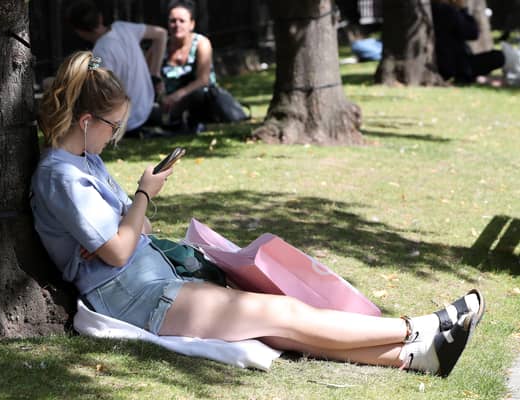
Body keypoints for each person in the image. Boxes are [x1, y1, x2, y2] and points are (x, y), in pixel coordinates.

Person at [32, 50, 486, 377]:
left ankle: (414, 357)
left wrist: (133, 216)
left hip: (149, 280)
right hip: (134, 293)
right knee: (281, 313)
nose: (115, 138)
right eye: (113, 126)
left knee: (277, 328)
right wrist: (143, 196)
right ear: (87, 120)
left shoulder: (85, 163)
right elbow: (116, 250)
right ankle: (418, 327)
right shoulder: (61, 176)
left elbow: (135, 232)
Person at [65, 0, 167, 132]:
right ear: (100, 17)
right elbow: (161, 33)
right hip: (147, 105)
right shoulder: (123, 27)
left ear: (79, 31)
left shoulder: (98, 53)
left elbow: (93, 87)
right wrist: (155, 73)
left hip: (127, 121)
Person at [160, 0, 245, 129]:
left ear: (192, 24)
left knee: (198, 94)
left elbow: (203, 80)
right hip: (167, 104)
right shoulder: (161, 46)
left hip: (198, 99)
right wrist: (162, 95)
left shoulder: (201, 43)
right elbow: (151, 75)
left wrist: (177, 96)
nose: (177, 25)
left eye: (182, 21)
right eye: (173, 21)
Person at [431, 0, 520, 85]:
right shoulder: (445, 10)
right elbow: (472, 32)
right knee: (499, 56)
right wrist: (462, 9)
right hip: (456, 66)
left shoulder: (437, 9)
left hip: (453, 63)